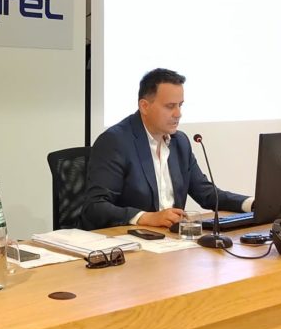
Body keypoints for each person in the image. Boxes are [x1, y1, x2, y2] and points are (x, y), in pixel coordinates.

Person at [82, 68, 253, 230]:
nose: (178, 114)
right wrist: (147, 217)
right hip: (128, 240)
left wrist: (251, 203)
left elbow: (206, 193)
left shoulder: (180, 142)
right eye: (170, 106)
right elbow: (95, 207)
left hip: (170, 240)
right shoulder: (115, 142)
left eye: (180, 105)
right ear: (144, 106)